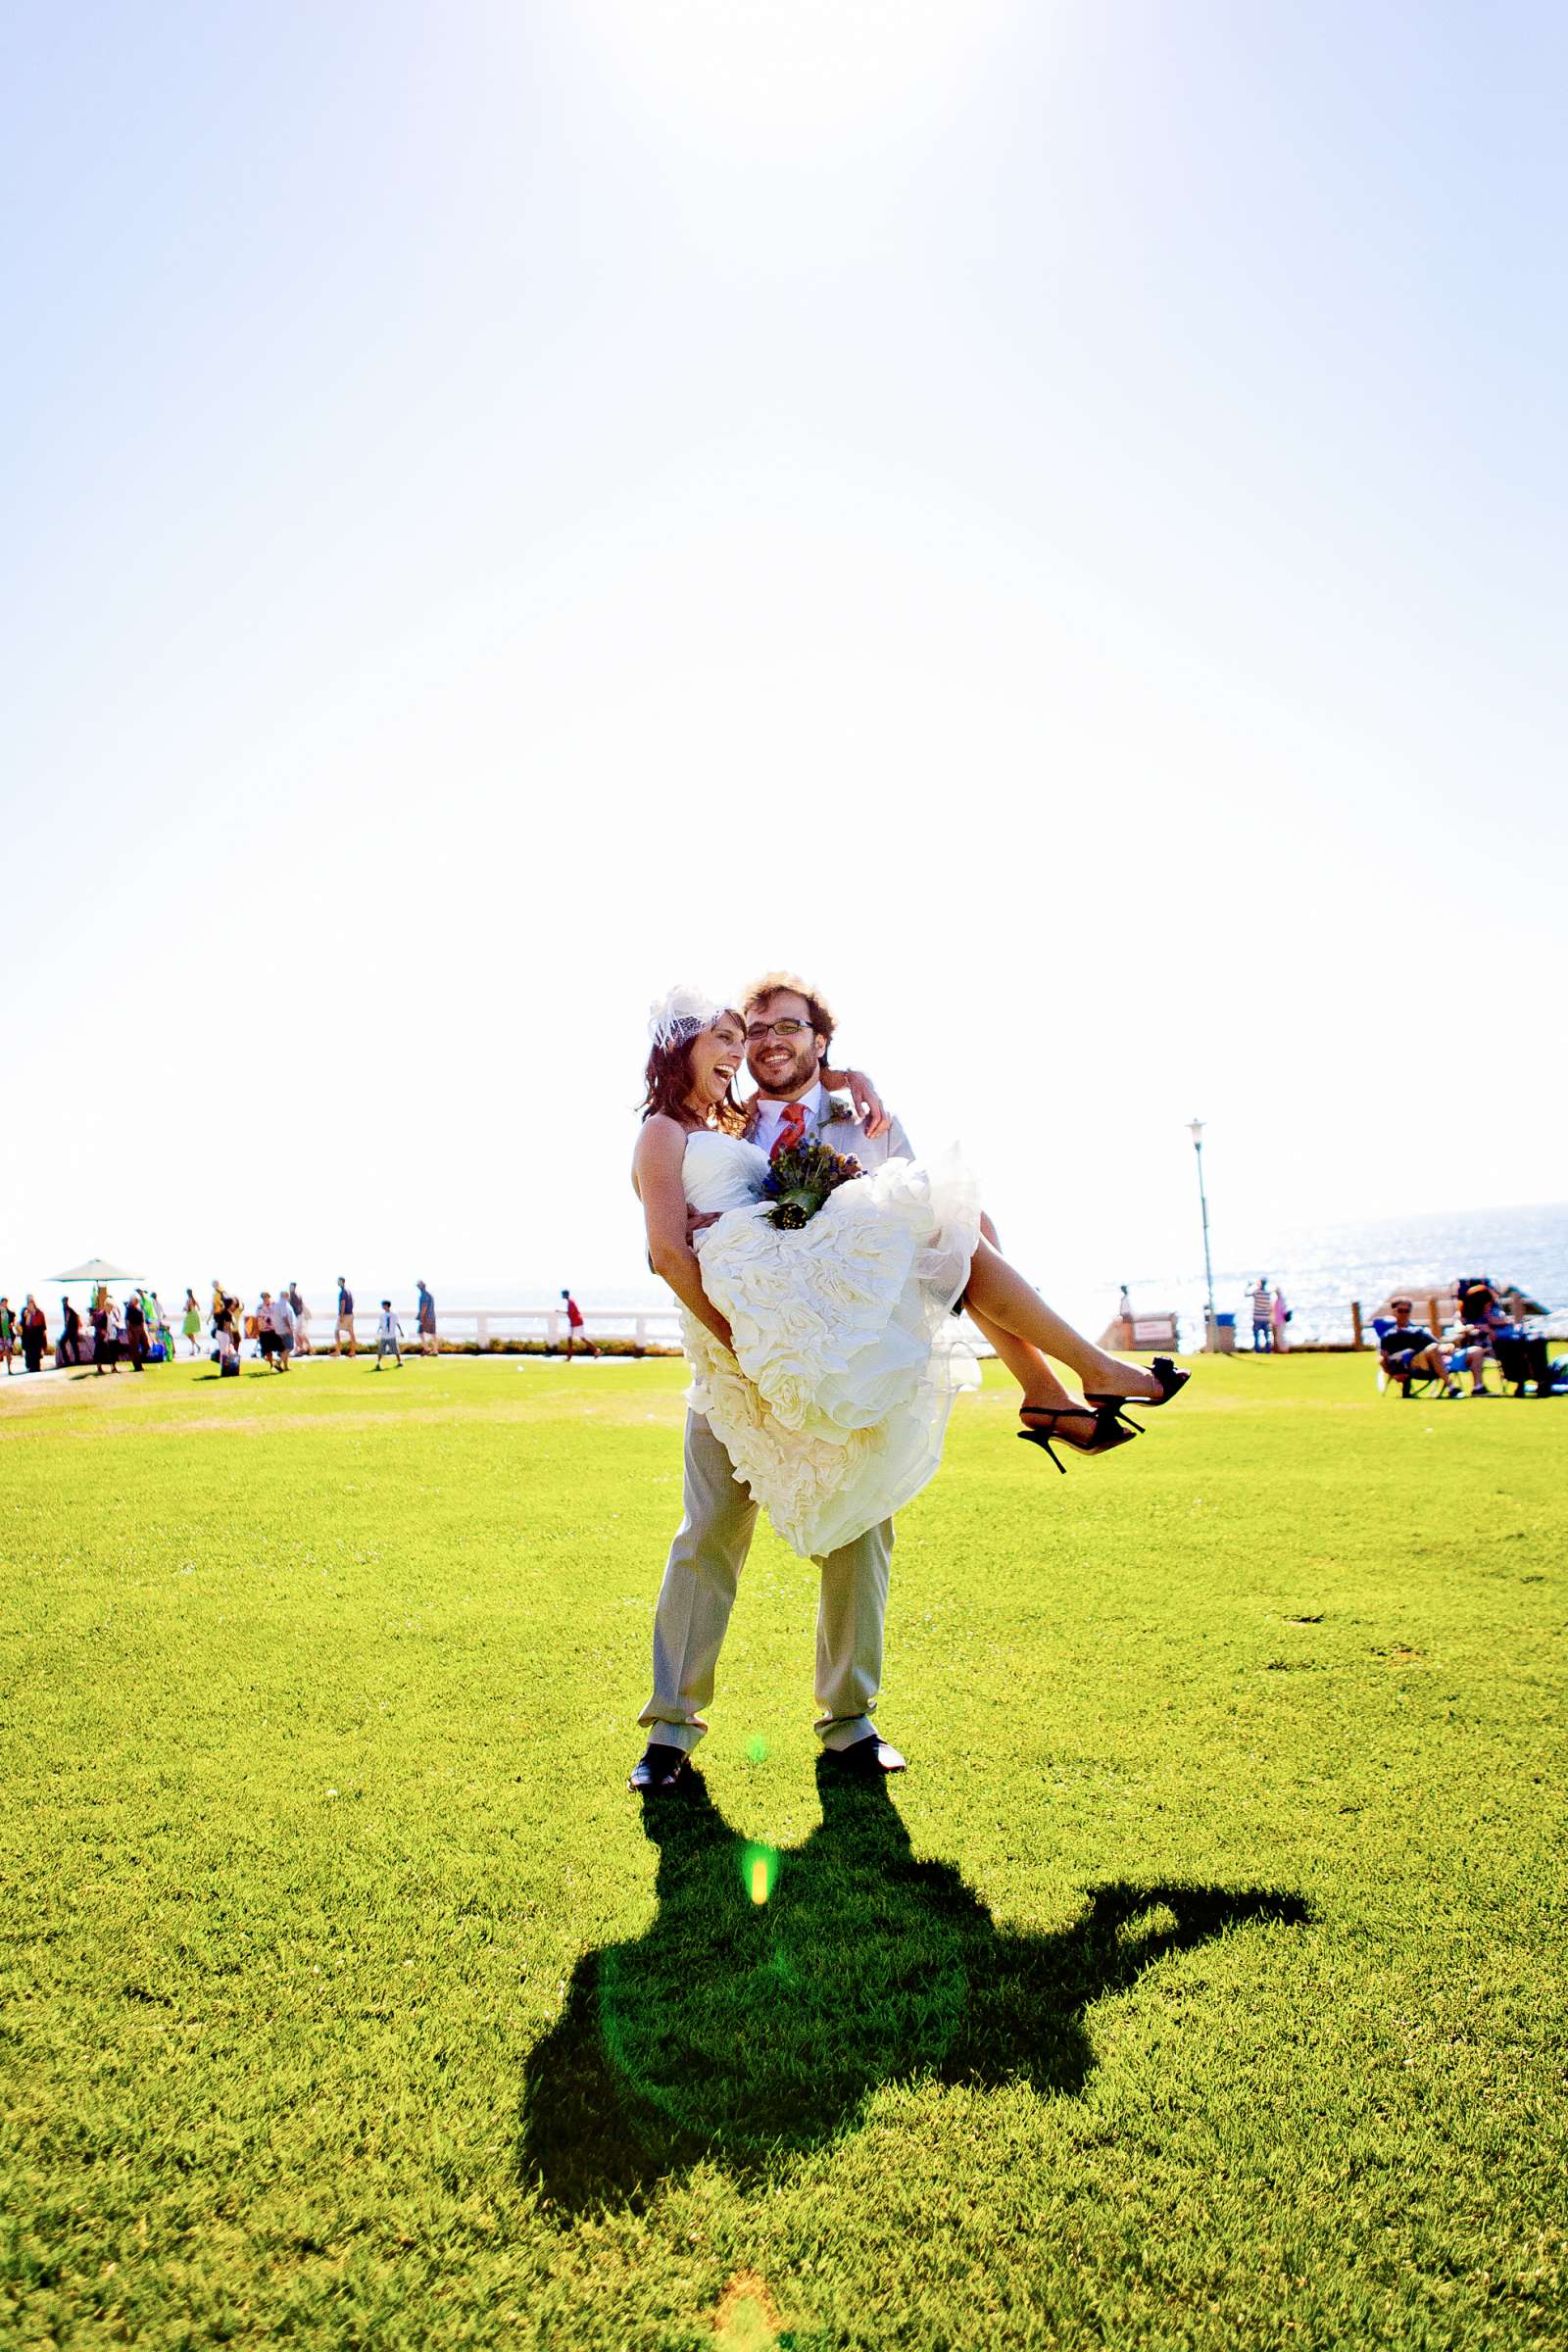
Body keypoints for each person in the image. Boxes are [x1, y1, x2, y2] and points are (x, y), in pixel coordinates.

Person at [627, 979, 1187, 1795]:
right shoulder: (696, 1127)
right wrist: (743, 1337)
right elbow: (671, 1242)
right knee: (709, 1532)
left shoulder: (848, 1114)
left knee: (862, 1526)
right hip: (740, 1355)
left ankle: (849, 1720)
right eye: (745, 1033)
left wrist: (855, 1091)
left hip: (836, 1348)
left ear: (822, 1041)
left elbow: (922, 1237)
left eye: (788, 1028)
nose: (759, 1043)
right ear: (706, 1046)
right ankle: (671, 1732)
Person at [1379, 1299, 1467, 1397]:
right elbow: (1384, 1358)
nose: (1403, 1314)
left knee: (1441, 1348)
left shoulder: (1418, 1331)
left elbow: (1437, 1344)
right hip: (1408, 1365)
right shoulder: (1388, 1335)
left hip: (1428, 1362)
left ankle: (1476, 1387)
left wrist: (1449, 1347)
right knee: (1433, 1348)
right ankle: (1451, 1387)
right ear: (1393, 1312)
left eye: (1407, 1311)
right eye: (1400, 1311)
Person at [561, 1288, 598, 1360]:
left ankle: (596, 1350)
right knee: (569, 1339)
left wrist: (560, 1311)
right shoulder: (570, 1301)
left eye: (562, 1294)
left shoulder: (571, 1302)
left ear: (565, 1295)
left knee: (582, 1338)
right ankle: (569, 1356)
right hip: (574, 1323)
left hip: (577, 1323)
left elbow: (571, 1313)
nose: (561, 1295)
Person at [270, 1288, 296, 1371]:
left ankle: (286, 1366)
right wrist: (289, 1328)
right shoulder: (283, 1302)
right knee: (290, 1347)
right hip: (285, 1329)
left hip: (279, 1329)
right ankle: (279, 1362)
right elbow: (284, 1317)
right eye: (288, 1295)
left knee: (284, 1349)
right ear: (286, 1295)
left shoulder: (276, 1303)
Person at [123, 1289, 149, 1372]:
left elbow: (142, 1319)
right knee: (135, 1349)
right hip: (133, 1328)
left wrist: (143, 1328)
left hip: (141, 1328)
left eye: (137, 1300)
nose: (137, 1301)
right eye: (135, 1300)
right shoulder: (129, 1308)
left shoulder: (139, 1307)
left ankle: (139, 1360)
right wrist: (129, 1332)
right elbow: (127, 1320)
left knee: (146, 1346)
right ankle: (137, 1366)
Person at [374, 1299, 403, 1369]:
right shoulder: (382, 1315)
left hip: (392, 1335)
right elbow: (381, 1325)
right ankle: (378, 1363)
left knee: (395, 1349)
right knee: (381, 1350)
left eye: (383, 1305)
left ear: (387, 1306)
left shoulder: (394, 1314)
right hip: (384, 1335)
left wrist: (401, 1332)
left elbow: (397, 1323)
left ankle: (399, 1362)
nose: (382, 1306)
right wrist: (378, 1331)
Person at [334, 1276, 356, 1357]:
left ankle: (338, 1351)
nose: (337, 1283)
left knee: (336, 1331)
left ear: (342, 1282)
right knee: (351, 1333)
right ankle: (353, 1352)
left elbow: (343, 1303)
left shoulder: (342, 1292)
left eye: (338, 1281)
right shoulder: (348, 1291)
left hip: (345, 1315)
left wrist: (342, 1316)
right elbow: (353, 1302)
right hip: (350, 1314)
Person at [288, 1283, 312, 1355]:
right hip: (299, 1316)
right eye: (290, 1287)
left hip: (298, 1317)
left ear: (294, 1287)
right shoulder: (296, 1295)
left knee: (297, 1334)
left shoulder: (293, 1295)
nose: (290, 1288)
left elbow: (296, 1307)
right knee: (301, 1334)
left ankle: (301, 1349)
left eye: (291, 1287)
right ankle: (307, 1349)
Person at [1250, 1278, 1273, 1352]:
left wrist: (1248, 1286)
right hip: (1266, 1317)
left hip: (1257, 1317)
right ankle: (1268, 1349)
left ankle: (1257, 1350)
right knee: (1267, 1335)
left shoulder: (1256, 1292)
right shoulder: (1268, 1293)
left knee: (1256, 1335)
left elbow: (1246, 1294)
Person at [416, 1280, 437, 1356]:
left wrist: (421, 1317)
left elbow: (424, 1306)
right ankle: (434, 1351)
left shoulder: (423, 1295)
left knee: (420, 1332)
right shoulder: (429, 1295)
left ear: (422, 1286)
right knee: (433, 1334)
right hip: (432, 1317)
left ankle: (427, 1349)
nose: (418, 1287)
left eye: (418, 1285)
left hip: (426, 1318)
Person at [182, 1290, 203, 1356]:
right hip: (195, 1315)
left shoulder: (188, 1300)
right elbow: (199, 1308)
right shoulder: (194, 1300)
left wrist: (184, 1309)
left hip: (190, 1316)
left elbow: (188, 1309)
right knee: (191, 1334)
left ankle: (196, 1348)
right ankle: (195, 1348)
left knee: (187, 1332)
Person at [1271, 1286, 1291, 1354]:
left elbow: (1281, 1312)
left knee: (1281, 1337)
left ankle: (1285, 1350)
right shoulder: (1279, 1300)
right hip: (1278, 1321)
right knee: (1279, 1337)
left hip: (1281, 1321)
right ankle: (1282, 1350)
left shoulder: (1280, 1300)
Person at [0, 1297, 13, 1375]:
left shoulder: (9, 1313)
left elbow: (12, 1323)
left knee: (8, 1353)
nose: (4, 1304)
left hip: (7, 1335)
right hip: (0, 1336)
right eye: (3, 1302)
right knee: (1, 1352)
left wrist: (11, 1324)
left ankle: (9, 1370)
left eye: (5, 1303)